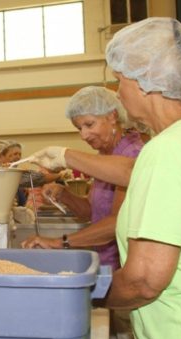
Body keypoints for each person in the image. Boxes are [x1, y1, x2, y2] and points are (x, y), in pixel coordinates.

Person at [38, 17, 181, 339]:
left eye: (120, 81)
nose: (118, 93)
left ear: (145, 81)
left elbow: (144, 281)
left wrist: (83, 294)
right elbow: (135, 172)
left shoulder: (167, 150)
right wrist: (66, 156)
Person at [23, 86, 144, 273]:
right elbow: (91, 212)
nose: (84, 135)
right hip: (105, 262)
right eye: (79, 128)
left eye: (89, 124)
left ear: (112, 116)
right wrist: (64, 195)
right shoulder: (105, 155)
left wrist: (59, 242)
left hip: (124, 266)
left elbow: (118, 222)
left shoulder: (131, 154)